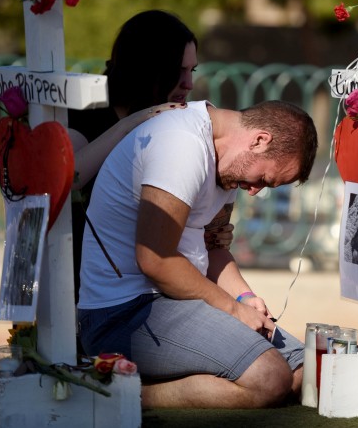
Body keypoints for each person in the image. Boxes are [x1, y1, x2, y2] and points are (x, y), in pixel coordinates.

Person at [77, 99, 318, 408]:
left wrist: (244, 298)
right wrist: (233, 310)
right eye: (265, 180)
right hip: (124, 311)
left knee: (301, 373)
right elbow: (154, 258)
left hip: (177, 301)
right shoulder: (183, 144)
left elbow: (215, 247)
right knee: (269, 378)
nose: (256, 191)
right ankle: (120, 393)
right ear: (259, 141)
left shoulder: (228, 159)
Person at [67, 10, 233, 303]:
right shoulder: (89, 109)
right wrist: (129, 125)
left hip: (148, 289)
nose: (188, 84)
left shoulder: (177, 124)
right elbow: (67, 178)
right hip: (85, 282)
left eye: (191, 71)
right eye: (177, 70)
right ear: (146, 68)